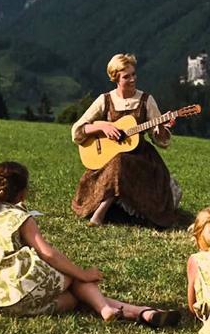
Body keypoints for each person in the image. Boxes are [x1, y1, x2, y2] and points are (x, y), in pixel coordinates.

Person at [0, 161, 180, 327]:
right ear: (22, 193)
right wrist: (83, 273)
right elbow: (48, 254)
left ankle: (137, 312)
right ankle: (118, 309)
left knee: (71, 299)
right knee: (70, 275)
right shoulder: (21, 218)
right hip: (17, 292)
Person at [70, 53, 180, 227]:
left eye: (134, 74)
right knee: (118, 160)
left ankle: (101, 213)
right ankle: (106, 208)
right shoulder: (105, 100)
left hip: (141, 159)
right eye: (126, 76)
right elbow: (77, 131)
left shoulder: (146, 100)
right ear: (116, 78)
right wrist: (102, 127)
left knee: (121, 161)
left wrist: (160, 129)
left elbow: (161, 140)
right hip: (109, 158)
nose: (132, 79)